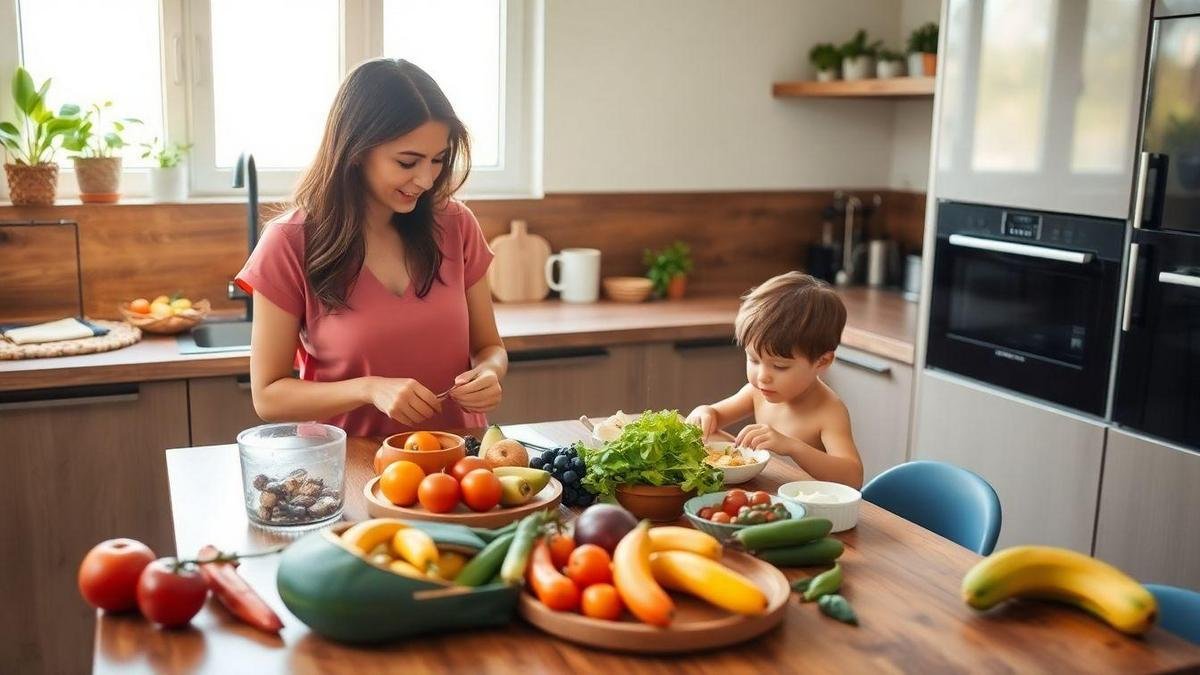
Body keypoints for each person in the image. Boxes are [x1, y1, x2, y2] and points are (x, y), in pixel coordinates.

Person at [235, 58, 507, 437]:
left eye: (438, 160)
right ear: (358, 150)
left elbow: (489, 346)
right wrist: (369, 388)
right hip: (347, 467)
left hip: (457, 464)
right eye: (408, 161)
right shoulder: (289, 242)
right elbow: (268, 397)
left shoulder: (456, 224)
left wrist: (490, 371)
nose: (426, 179)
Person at [686, 272, 864, 488]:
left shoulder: (828, 411)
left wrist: (791, 446)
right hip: (766, 495)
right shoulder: (757, 391)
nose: (762, 376)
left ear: (822, 361)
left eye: (780, 366)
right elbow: (713, 418)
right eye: (753, 359)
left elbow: (852, 477)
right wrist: (704, 412)